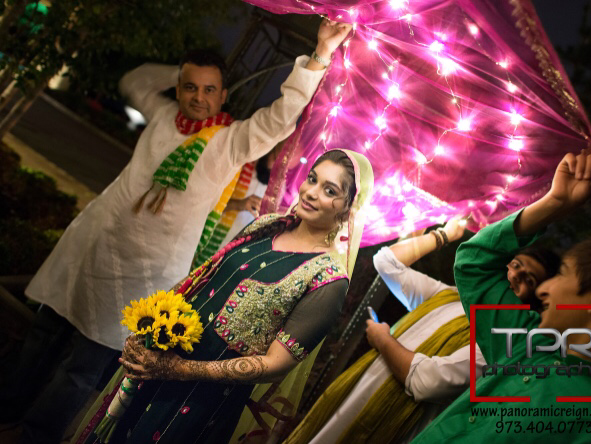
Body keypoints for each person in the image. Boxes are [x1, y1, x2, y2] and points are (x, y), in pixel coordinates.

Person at [1, 20, 352, 444]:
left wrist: (320, 54)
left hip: (141, 276)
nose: (198, 97)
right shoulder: (163, 114)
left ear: (224, 95)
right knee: (41, 338)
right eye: (190, 87)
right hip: (90, 251)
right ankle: (6, 414)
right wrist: (180, 72)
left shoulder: (231, 142)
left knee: (82, 369)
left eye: (209, 90)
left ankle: (32, 437)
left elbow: (280, 117)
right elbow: (134, 81)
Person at [72, 149, 373, 444]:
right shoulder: (266, 226)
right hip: (157, 365)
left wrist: (181, 370)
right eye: (312, 179)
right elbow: (203, 281)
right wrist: (149, 328)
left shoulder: (327, 280)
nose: (311, 192)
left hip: (202, 401)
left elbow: (276, 364)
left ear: (348, 209)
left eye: (330, 190)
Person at [411, 150, 591, 443]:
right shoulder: (529, 345)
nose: (543, 289)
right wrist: (555, 202)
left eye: (562, 273)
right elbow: (473, 263)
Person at [286, 218, 558, 444]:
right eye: (516, 265)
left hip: (390, 424)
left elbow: (427, 382)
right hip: (353, 394)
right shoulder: (452, 297)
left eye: (528, 279)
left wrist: (383, 340)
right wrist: (444, 234)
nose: (515, 276)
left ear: (534, 298)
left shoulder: (497, 344)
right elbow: (387, 263)